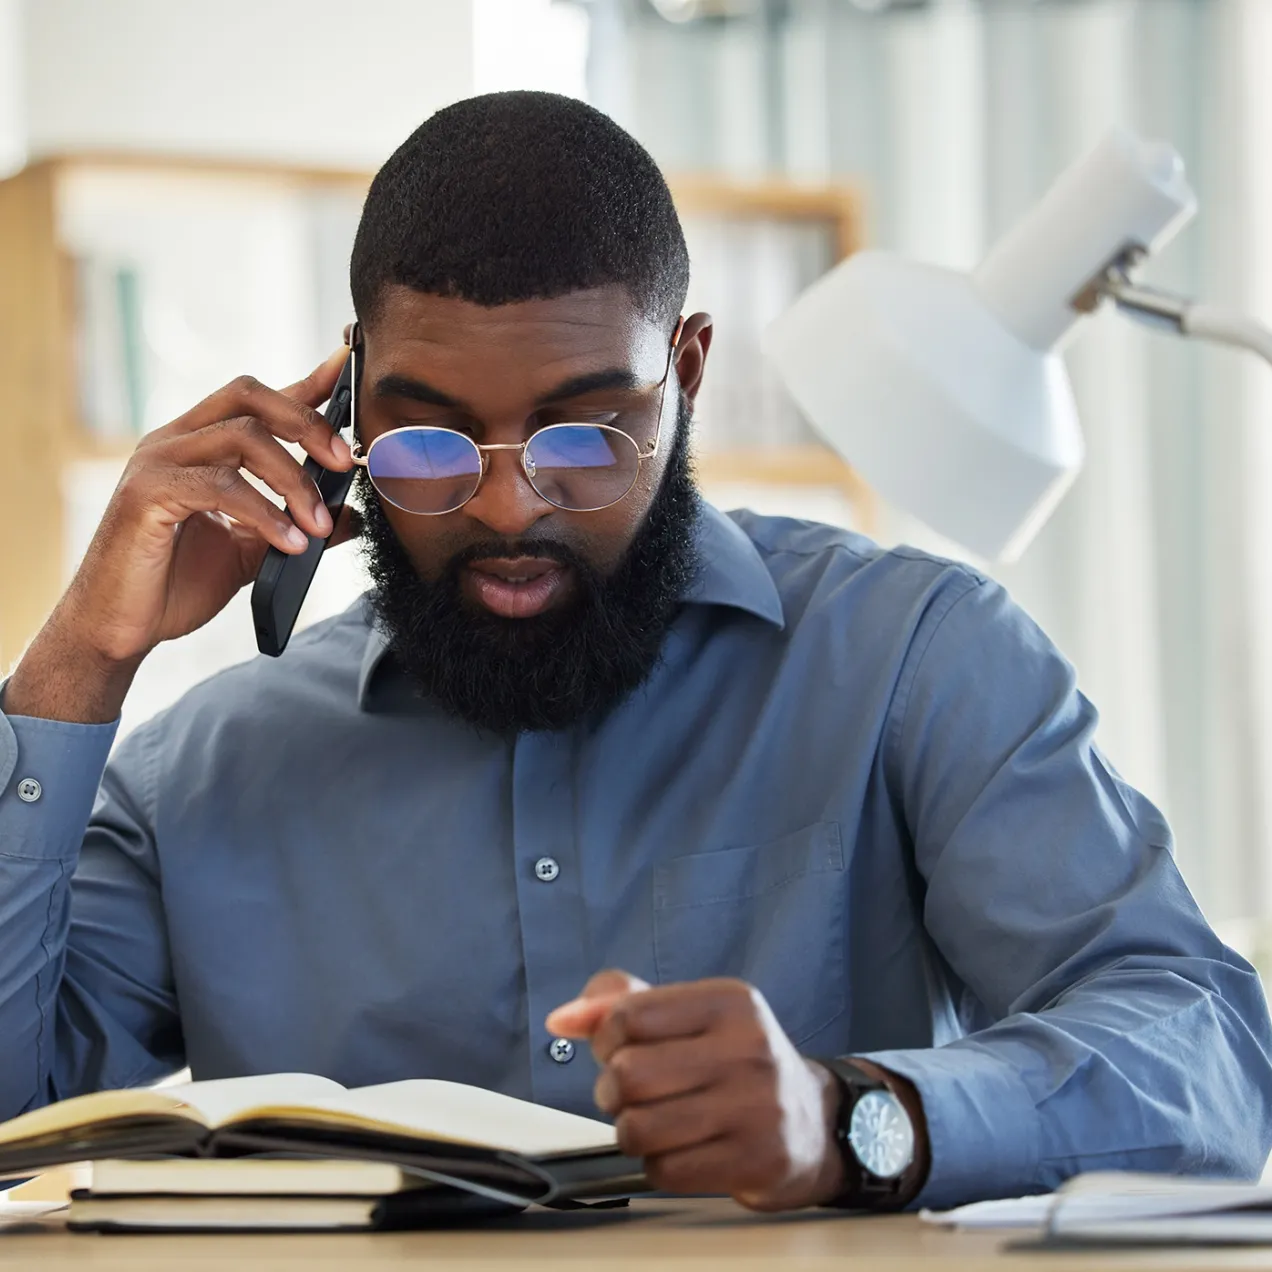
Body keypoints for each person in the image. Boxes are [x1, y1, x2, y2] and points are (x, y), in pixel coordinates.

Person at [2, 91, 1269, 1214]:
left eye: (584, 438)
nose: (508, 512)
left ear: (689, 370)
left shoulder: (911, 663)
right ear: (346, 407)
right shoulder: (203, 777)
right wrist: (79, 660)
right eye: (431, 445)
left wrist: (852, 1121)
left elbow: (1207, 1051)